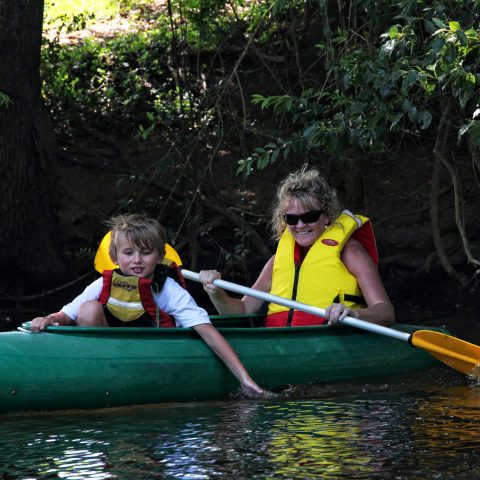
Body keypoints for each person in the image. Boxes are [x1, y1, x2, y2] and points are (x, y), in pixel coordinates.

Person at [31, 213, 264, 396]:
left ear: (160, 255)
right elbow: (65, 315)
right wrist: (49, 320)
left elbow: (209, 333)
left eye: (145, 252)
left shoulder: (169, 290)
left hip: (151, 357)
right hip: (106, 361)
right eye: (128, 253)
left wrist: (245, 379)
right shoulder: (103, 284)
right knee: (88, 308)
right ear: (115, 257)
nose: (137, 260)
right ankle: (94, 376)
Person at [199, 167, 395, 327]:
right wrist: (215, 292)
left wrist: (353, 314)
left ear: (326, 216)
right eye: (291, 218)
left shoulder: (351, 252)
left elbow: (385, 311)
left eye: (309, 217)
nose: (300, 225)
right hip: (280, 343)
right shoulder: (277, 261)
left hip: (330, 338)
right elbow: (241, 311)